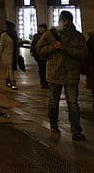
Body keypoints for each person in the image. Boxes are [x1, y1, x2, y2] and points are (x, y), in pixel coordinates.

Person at [35, 10, 88, 140]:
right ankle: (53, 125)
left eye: (67, 20)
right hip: (55, 73)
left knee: (73, 103)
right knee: (54, 101)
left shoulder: (77, 36)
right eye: (63, 20)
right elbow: (38, 49)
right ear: (60, 21)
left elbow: (83, 54)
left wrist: (66, 49)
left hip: (71, 74)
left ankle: (76, 131)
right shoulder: (50, 34)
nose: (65, 23)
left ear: (71, 21)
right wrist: (52, 47)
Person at [0, 20, 19, 90]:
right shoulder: (4, 35)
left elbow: (17, 45)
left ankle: (7, 81)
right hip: (8, 55)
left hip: (14, 54)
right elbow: (2, 45)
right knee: (11, 68)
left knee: (9, 68)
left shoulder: (15, 34)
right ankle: (13, 83)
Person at [30, 23, 49, 89]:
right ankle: (43, 82)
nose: (40, 29)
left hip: (46, 55)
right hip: (39, 56)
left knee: (46, 70)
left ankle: (46, 82)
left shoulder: (48, 36)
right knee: (41, 69)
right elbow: (33, 44)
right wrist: (32, 51)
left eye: (42, 28)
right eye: (39, 28)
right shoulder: (36, 36)